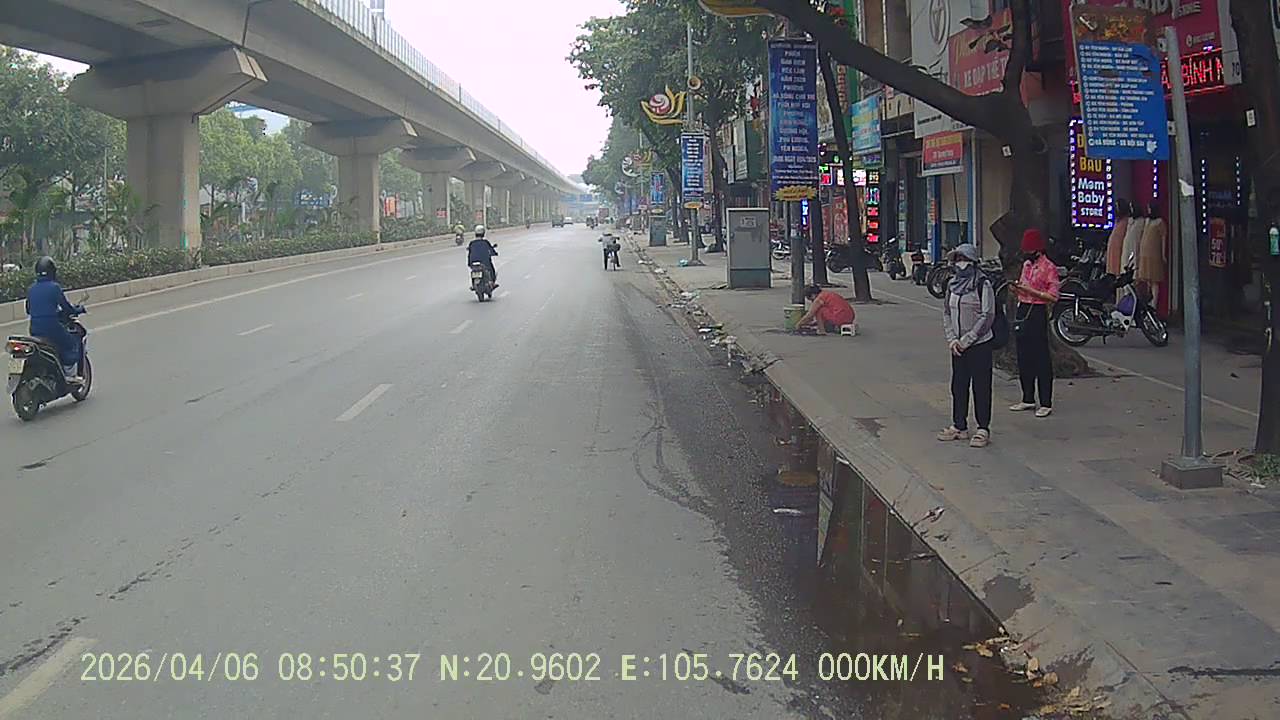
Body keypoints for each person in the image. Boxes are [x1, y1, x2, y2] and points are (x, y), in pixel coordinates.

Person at [937, 244, 996, 448]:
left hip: (979, 344)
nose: (960, 264)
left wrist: (968, 340)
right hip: (957, 346)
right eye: (957, 259)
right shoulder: (952, 284)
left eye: (964, 259)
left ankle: (983, 428)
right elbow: (947, 312)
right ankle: (959, 425)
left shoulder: (982, 284)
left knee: (981, 387)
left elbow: (987, 315)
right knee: (959, 386)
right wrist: (952, 339)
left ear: (973, 262)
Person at [1009, 229, 1060, 418]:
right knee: (1023, 355)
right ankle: (1027, 397)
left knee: (1041, 357)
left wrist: (1032, 292)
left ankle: (1046, 401)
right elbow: (1024, 287)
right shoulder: (1027, 265)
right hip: (1023, 308)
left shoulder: (1049, 267)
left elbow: (1053, 296)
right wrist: (1017, 289)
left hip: (1037, 310)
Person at [25, 256, 84, 382]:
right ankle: (70, 376)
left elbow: (28, 310)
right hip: (52, 327)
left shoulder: (31, 289)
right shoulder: (54, 287)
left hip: (34, 329)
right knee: (72, 343)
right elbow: (66, 308)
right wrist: (78, 309)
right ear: (52, 271)